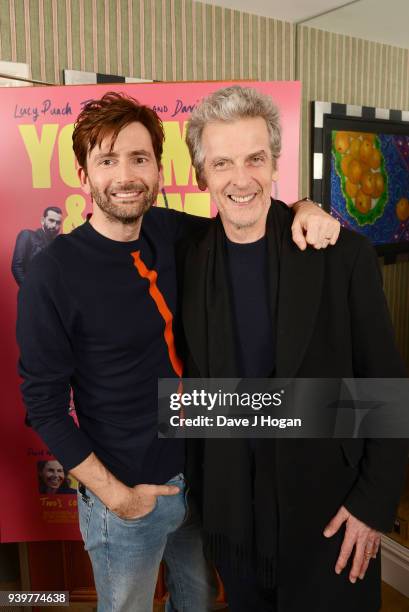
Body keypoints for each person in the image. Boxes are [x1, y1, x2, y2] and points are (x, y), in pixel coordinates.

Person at [16, 91, 339, 612]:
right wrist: (118, 497)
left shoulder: (170, 231)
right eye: (107, 160)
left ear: (159, 171)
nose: (125, 175)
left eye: (139, 158)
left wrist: (305, 207)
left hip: (198, 481)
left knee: (199, 600)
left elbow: (246, 209)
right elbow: (44, 404)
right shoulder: (52, 274)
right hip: (127, 495)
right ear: (84, 177)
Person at [180, 85, 409, 612]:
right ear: (202, 175)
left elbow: (387, 391)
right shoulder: (185, 259)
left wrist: (374, 506)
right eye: (222, 163)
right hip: (234, 523)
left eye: (255, 158)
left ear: (275, 162)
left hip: (332, 519)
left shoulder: (340, 254)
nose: (241, 179)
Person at [11, 206, 63, 286]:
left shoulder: (59, 245)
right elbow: (17, 266)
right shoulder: (27, 235)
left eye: (58, 223)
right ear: (43, 220)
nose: (54, 225)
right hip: (33, 294)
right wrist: (29, 291)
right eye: (51, 220)